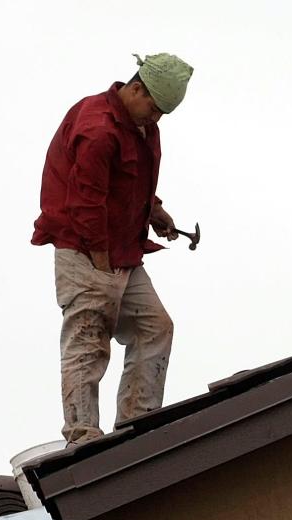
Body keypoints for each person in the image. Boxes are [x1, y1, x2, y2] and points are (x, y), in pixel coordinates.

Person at [31, 53, 194, 444]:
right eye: (154, 109)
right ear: (136, 89)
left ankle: (138, 425)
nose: (155, 119)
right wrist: (102, 268)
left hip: (120, 252)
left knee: (154, 327)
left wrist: (154, 210)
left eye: (161, 115)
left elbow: (129, 181)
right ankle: (83, 435)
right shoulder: (99, 129)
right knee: (88, 340)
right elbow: (87, 205)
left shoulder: (141, 125)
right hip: (85, 251)